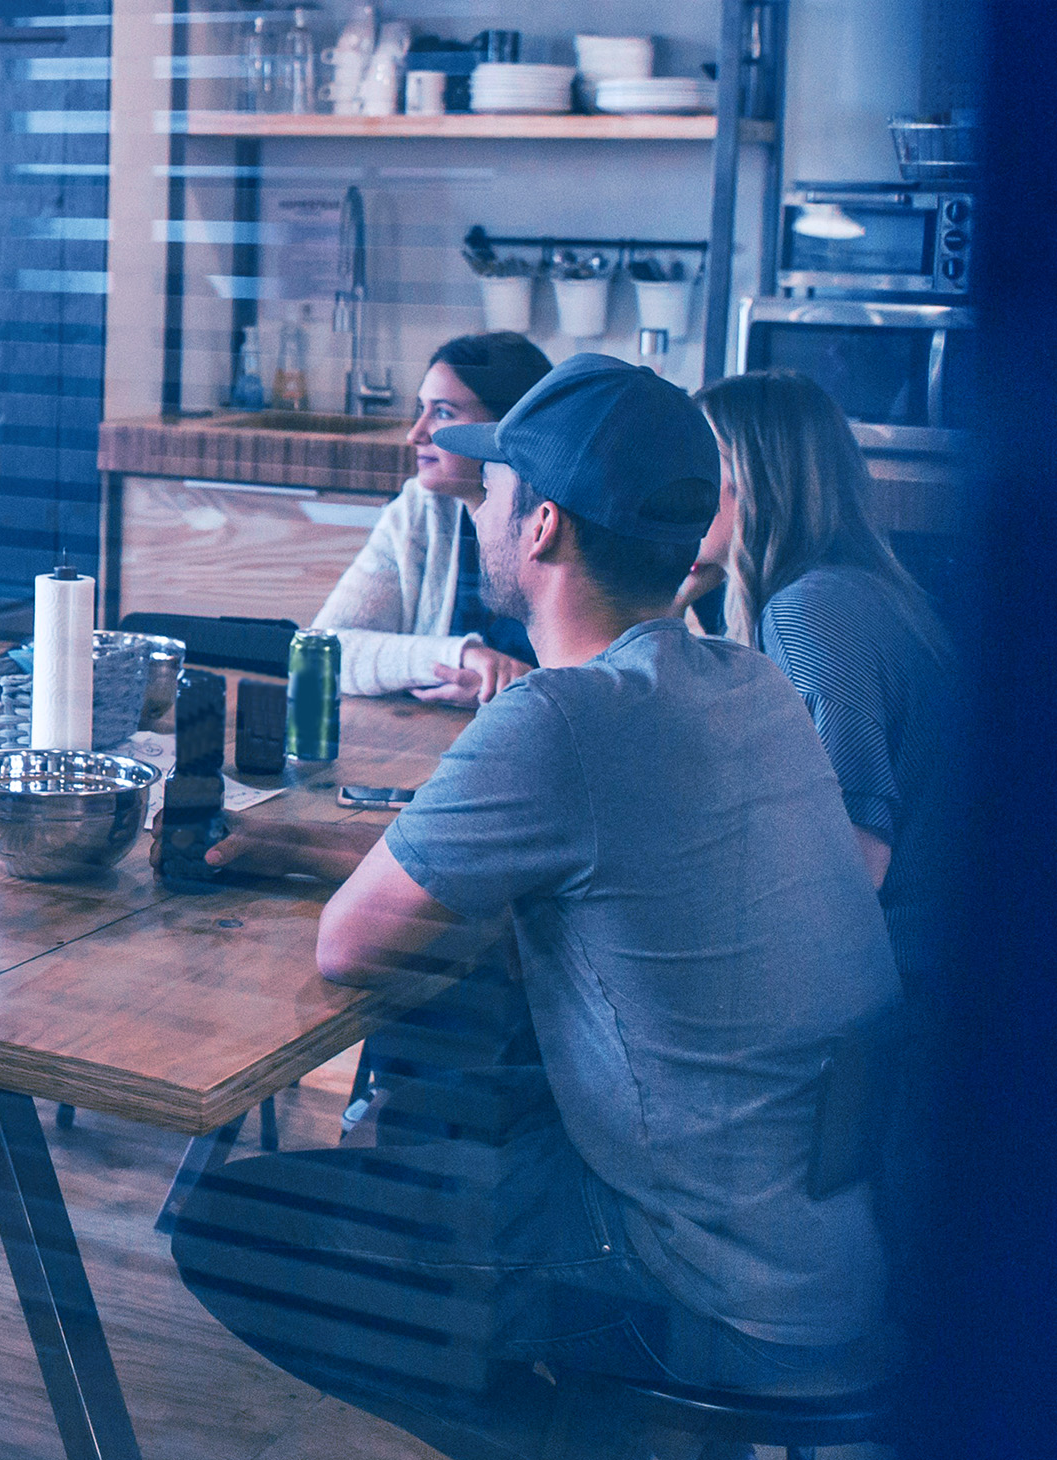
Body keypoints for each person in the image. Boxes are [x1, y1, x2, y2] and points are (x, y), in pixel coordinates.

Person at [179, 356, 903, 1460]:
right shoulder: (737, 679)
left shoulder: (561, 716)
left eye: (496, 484)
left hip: (699, 1283)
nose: (476, 502)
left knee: (232, 1227)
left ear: (543, 527)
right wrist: (294, 838)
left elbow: (352, 939)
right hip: (824, 1243)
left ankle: (582, 1437)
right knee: (465, 1089)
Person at [692, 369, 953, 989]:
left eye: (697, 465)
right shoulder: (850, 589)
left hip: (898, 991)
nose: (676, 489)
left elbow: (850, 868)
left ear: (749, 479)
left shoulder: (813, 612)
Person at [311, 331, 553, 705]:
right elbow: (322, 653)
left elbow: (604, 689)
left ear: (506, 428)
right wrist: (461, 656)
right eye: (420, 410)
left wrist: (506, 690)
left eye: (442, 413)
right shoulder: (420, 509)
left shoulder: (565, 526)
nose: (415, 434)